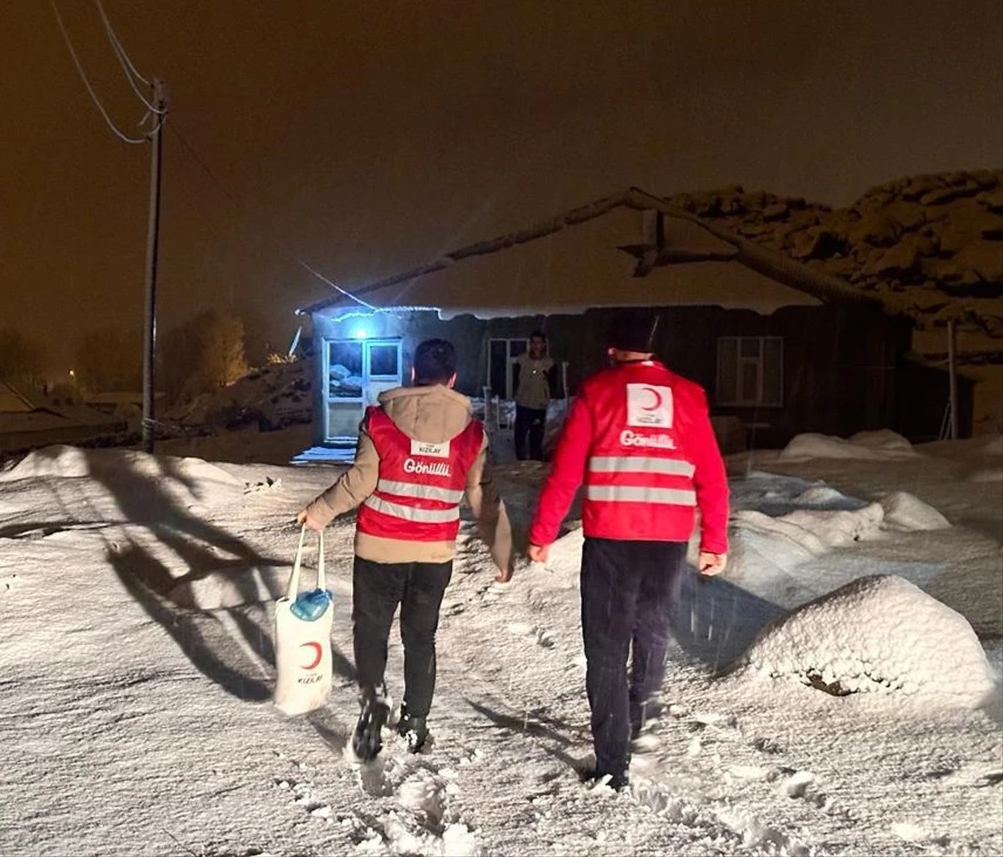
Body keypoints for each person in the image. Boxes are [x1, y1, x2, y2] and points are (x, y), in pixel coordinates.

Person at [526, 310, 730, 791]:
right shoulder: (689, 396)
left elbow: (567, 471)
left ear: (612, 350)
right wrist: (714, 541)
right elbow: (712, 475)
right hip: (668, 540)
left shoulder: (597, 393)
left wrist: (542, 533)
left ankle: (612, 759)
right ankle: (642, 722)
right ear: (652, 349)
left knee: (606, 643)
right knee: (653, 628)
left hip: (612, 538)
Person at [296, 338, 513, 761]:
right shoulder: (472, 434)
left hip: (379, 550)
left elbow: (360, 482)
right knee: (420, 638)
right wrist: (501, 550)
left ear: (413, 373)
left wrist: (320, 512)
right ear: (452, 379)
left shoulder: (379, 421)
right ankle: (416, 722)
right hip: (434, 556)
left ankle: (373, 713)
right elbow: (482, 496)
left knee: (371, 633)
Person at [511, 331, 556, 461]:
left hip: (539, 406)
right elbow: (515, 380)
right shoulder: (521, 360)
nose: (536, 346)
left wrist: (546, 396)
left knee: (536, 438)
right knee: (520, 437)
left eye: (539, 342)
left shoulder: (549, 363)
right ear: (530, 344)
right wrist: (517, 394)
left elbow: (553, 384)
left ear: (543, 344)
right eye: (534, 342)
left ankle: (535, 465)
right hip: (523, 404)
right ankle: (520, 464)